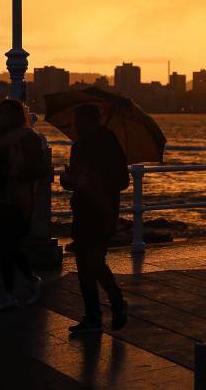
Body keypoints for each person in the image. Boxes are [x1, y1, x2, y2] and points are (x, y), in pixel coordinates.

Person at [61, 104, 129, 334]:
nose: (75, 126)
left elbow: (122, 180)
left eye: (79, 121)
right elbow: (76, 178)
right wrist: (71, 179)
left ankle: (110, 306)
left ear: (90, 121)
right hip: (85, 208)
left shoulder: (106, 146)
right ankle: (97, 314)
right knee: (85, 263)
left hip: (101, 209)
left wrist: (93, 175)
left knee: (93, 261)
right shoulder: (80, 146)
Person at [0, 99, 49, 311]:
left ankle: (19, 288)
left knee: (8, 246)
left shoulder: (29, 138)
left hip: (18, 197)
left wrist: (17, 173)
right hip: (0, 197)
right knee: (6, 247)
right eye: (1, 113)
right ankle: (20, 287)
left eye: (7, 113)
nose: (3, 117)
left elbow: (40, 169)